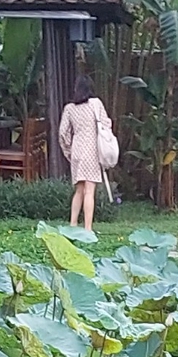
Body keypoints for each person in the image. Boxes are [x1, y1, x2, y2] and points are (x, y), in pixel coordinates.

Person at [57, 63, 117, 234]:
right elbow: (106, 123)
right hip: (92, 150)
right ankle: (88, 229)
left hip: (76, 150)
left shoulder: (69, 108)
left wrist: (68, 150)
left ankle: (73, 224)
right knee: (89, 191)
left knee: (79, 189)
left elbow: (62, 133)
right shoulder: (95, 104)